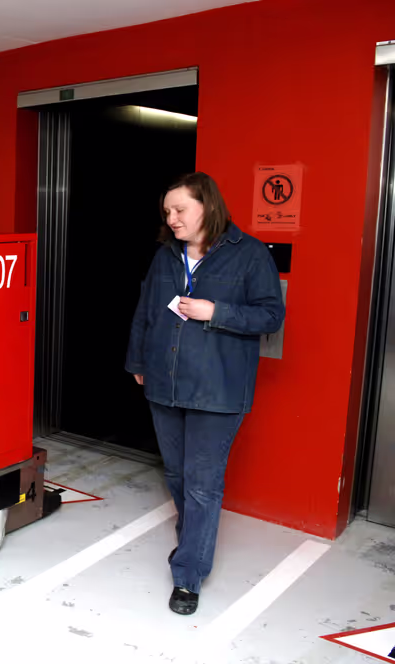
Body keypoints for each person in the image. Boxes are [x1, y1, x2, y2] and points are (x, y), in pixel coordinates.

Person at [125, 172, 285, 616]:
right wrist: (138, 361)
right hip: (165, 383)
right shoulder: (165, 256)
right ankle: (194, 535)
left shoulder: (249, 255)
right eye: (167, 212)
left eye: (179, 210)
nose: (172, 219)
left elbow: (271, 316)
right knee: (176, 475)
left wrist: (216, 312)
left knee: (201, 485)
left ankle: (189, 575)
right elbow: (146, 310)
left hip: (217, 390)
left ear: (207, 207)